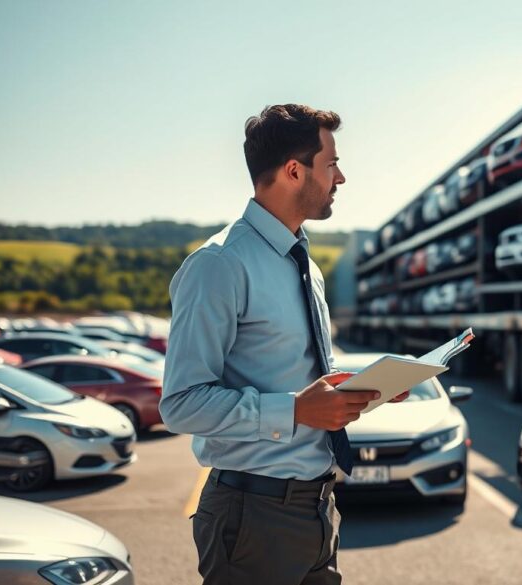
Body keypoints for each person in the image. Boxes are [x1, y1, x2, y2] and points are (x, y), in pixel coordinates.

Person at [161, 104, 405, 585]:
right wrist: (295, 410)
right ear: (295, 170)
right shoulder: (219, 265)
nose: (341, 177)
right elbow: (180, 404)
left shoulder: (303, 262)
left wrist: (362, 390)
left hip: (316, 507)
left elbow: (304, 380)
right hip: (253, 516)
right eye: (331, 164)